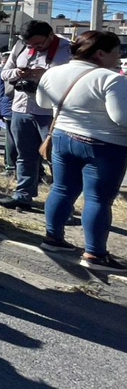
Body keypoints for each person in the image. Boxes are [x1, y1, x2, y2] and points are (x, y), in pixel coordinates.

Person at [37, 30, 127, 272]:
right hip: (104, 145)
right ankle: (95, 253)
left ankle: (53, 238)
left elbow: (43, 103)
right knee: (97, 198)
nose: (119, 57)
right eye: (116, 52)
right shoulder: (111, 78)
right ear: (100, 53)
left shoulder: (53, 72)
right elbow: (122, 118)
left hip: (62, 137)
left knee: (61, 189)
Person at [0, 20, 72, 208]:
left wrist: (45, 75)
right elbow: (4, 74)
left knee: (57, 159)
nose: (36, 49)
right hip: (21, 108)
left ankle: (61, 206)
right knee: (24, 155)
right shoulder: (20, 46)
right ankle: (22, 195)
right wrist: (20, 73)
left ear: (51, 36)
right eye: (31, 46)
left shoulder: (68, 49)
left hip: (51, 112)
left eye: (40, 44)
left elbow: (74, 78)